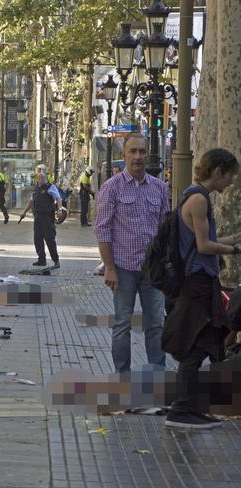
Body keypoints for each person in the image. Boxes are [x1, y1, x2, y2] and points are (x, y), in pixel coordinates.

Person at [163, 149, 241, 429]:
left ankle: (186, 406)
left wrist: (233, 238)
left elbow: (206, 239)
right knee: (197, 345)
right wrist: (233, 249)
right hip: (197, 283)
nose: (231, 182)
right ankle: (181, 409)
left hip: (201, 281)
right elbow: (204, 246)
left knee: (203, 342)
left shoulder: (199, 196)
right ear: (218, 171)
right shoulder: (197, 199)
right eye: (230, 175)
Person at [94, 133, 169, 373]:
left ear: (148, 155)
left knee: (156, 324)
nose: (138, 157)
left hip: (152, 270)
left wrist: (166, 266)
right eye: (133, 152)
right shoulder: (111, 188)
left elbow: (164, 230)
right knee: (122, 323)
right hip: (123, 268)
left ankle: (156, 376)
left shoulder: (159, 188)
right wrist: (110, 268)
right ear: (124, 155)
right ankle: (122, 377)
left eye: (142, 152)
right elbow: (103, 229)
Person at [19, 172, 62, 267]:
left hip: (47, 218)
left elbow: (58, 198)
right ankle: (41, 260)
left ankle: (56, 260)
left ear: (45, 178)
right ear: (37, 179)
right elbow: (31, 201)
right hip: (38, 218)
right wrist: (24, 212)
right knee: (37, 239)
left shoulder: (50, 187)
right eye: (39, 178)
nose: (41, 180)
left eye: (42, 178)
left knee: (50, 239)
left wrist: (60, 209)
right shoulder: (36, 189)